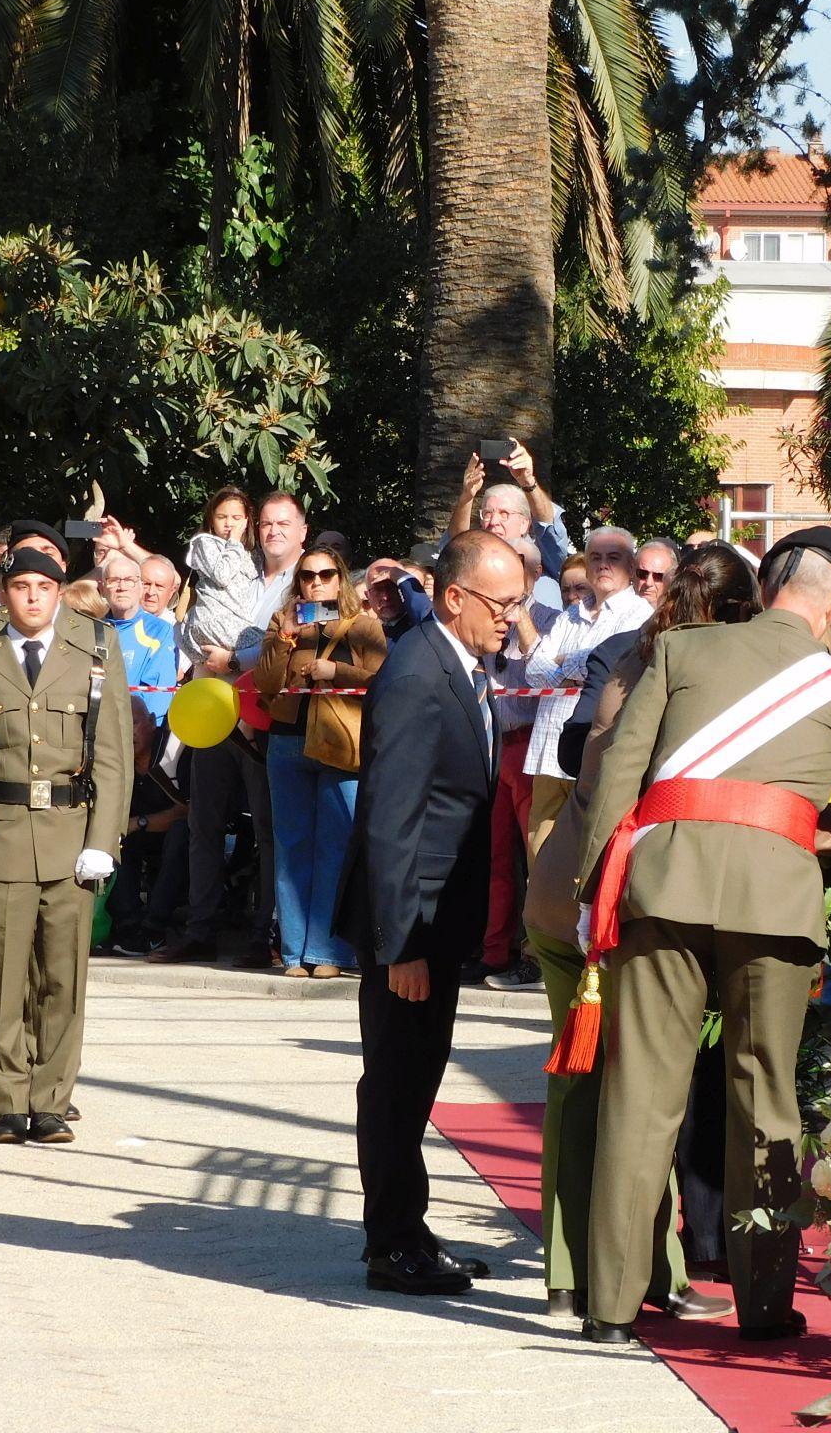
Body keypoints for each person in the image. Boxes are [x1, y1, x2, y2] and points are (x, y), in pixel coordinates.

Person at [575, 525, 831, 1343]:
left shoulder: (684, 653)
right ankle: (765, 1310)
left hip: (661, 889)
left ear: (768, 589)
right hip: (773, 906)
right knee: (764, 1100)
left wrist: (595, 890)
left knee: (640, 1101)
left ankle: (610, 1309)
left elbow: (618, 778)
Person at [524, 543, 761, 1324]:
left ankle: (566, 1274)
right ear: (739, 616)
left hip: (563, 889)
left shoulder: (620, 656)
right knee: (641, 1092)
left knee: (578, 1082)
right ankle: (649, 1274)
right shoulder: (707, 676)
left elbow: (578, 758)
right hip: (623, 899)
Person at [339, 530, 527, 1296]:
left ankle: (408, 1229)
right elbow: (391, 821)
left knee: (416, 1078)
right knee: (395, 1081)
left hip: (437, 919)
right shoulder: (420, 674)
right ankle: (391, 1244)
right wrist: (402, 946)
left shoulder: (458, 664)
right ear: (456, 597)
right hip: (411, 925)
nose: (513, 615)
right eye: (502, 602)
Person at [0, 545, 131, 1144]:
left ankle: (52, 1099)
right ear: (3, 593)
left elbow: (113, 755)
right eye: (20, 586)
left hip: (70, 833)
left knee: (63, 977)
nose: (33, 596)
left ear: (61, 591)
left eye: (44, 585)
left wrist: (104, 839)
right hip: (1, 830)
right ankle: (9, 1096)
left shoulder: (94, 647)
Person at [157, 492, 303, 965]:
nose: (273, 530)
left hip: (267, 722)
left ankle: (266, 933)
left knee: (267, 828)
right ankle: (200, 929)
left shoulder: (309, 580)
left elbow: (296, 648)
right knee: (204, 822)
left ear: (302, 529)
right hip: (214, 711)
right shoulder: (240, 571)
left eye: (283, 523)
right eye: (265, 523)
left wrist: (235, 659)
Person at [251, 545, 388, 978]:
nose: (316, 582)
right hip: (287, 743)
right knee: (291, 848)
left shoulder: (365, 626)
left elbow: (384, 680)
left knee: (337, 845)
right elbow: (265, 683)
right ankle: (294, 952)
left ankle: (329, 953)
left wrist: (338, 674)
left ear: (340, 579)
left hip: (340, 743)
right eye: (308, 576)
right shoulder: (282, 622)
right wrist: (284, 637)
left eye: (326, 574)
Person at [522, 527, 651, 858]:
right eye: (596, 557)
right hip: (548, 754)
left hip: (593, 754)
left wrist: (563, 662)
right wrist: (582, 663)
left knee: (588, 861)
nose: (603, 565)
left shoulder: (640, 615)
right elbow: (533, 669)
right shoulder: (569, 615)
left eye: (613, 558)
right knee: (539, 861)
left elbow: (611, 663)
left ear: (632, 565)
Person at [482, 537, 560, 987]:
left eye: (515, 569)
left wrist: (522, 618)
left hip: (533, 746)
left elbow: (544, 670)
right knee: (494, 859)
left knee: (536, 857)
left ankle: (536, 953)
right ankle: (493, 952)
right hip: (496, 744)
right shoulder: (488, 621)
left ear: (532, 573)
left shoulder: (550, 621)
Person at [104, 696, 189, 958]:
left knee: (181, 835)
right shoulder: (115, 761)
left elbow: (186, 809)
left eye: (135, 722)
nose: (128, 732)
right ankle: (129, 928)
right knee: (112, 840)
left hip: (170, 833)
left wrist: (139, 823)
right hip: (135, 836)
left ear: (152, 722)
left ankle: (154, 929)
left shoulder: (173, 753)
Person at [446, 439, 572, 590]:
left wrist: (528, 481)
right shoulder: (474, 562)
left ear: (524, 524)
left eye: (504, 513)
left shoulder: (543, 559)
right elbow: (455, 545)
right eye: (487, 513)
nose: (493, 521)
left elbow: (549, 526)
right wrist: (467, 497)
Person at [180, 486, 261, 667]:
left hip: (235, 620)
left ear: (247, 521)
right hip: (213, 620)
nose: (229, 524)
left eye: (236, 518)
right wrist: (233, 543)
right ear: (211, 519)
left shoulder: (251, 553)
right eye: (221, 517)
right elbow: (222, 575)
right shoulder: (204, 543)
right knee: (268, 647)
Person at [100, 554, 178, 723]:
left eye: (129, 580)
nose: (122, 587)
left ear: (138, 586)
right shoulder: (90, 627)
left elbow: (157, 698)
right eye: (113, 580)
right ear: (102, 587)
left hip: (135, 733)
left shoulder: (159, 630)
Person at [632, 538, 679, 607]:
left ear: (673, 579)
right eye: (642, 574)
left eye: (658, 576)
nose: (648, 583)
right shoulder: (617, 613)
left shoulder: (682, 616)